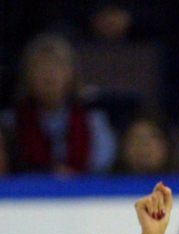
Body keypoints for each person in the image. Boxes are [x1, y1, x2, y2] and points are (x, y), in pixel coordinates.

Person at [1, 33, 116, 174]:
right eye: (40, 66)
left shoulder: (94, 122)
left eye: (57, 66)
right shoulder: (9, 124)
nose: (49, 74)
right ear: (27, 75)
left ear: (71, 74)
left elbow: (101, 172)